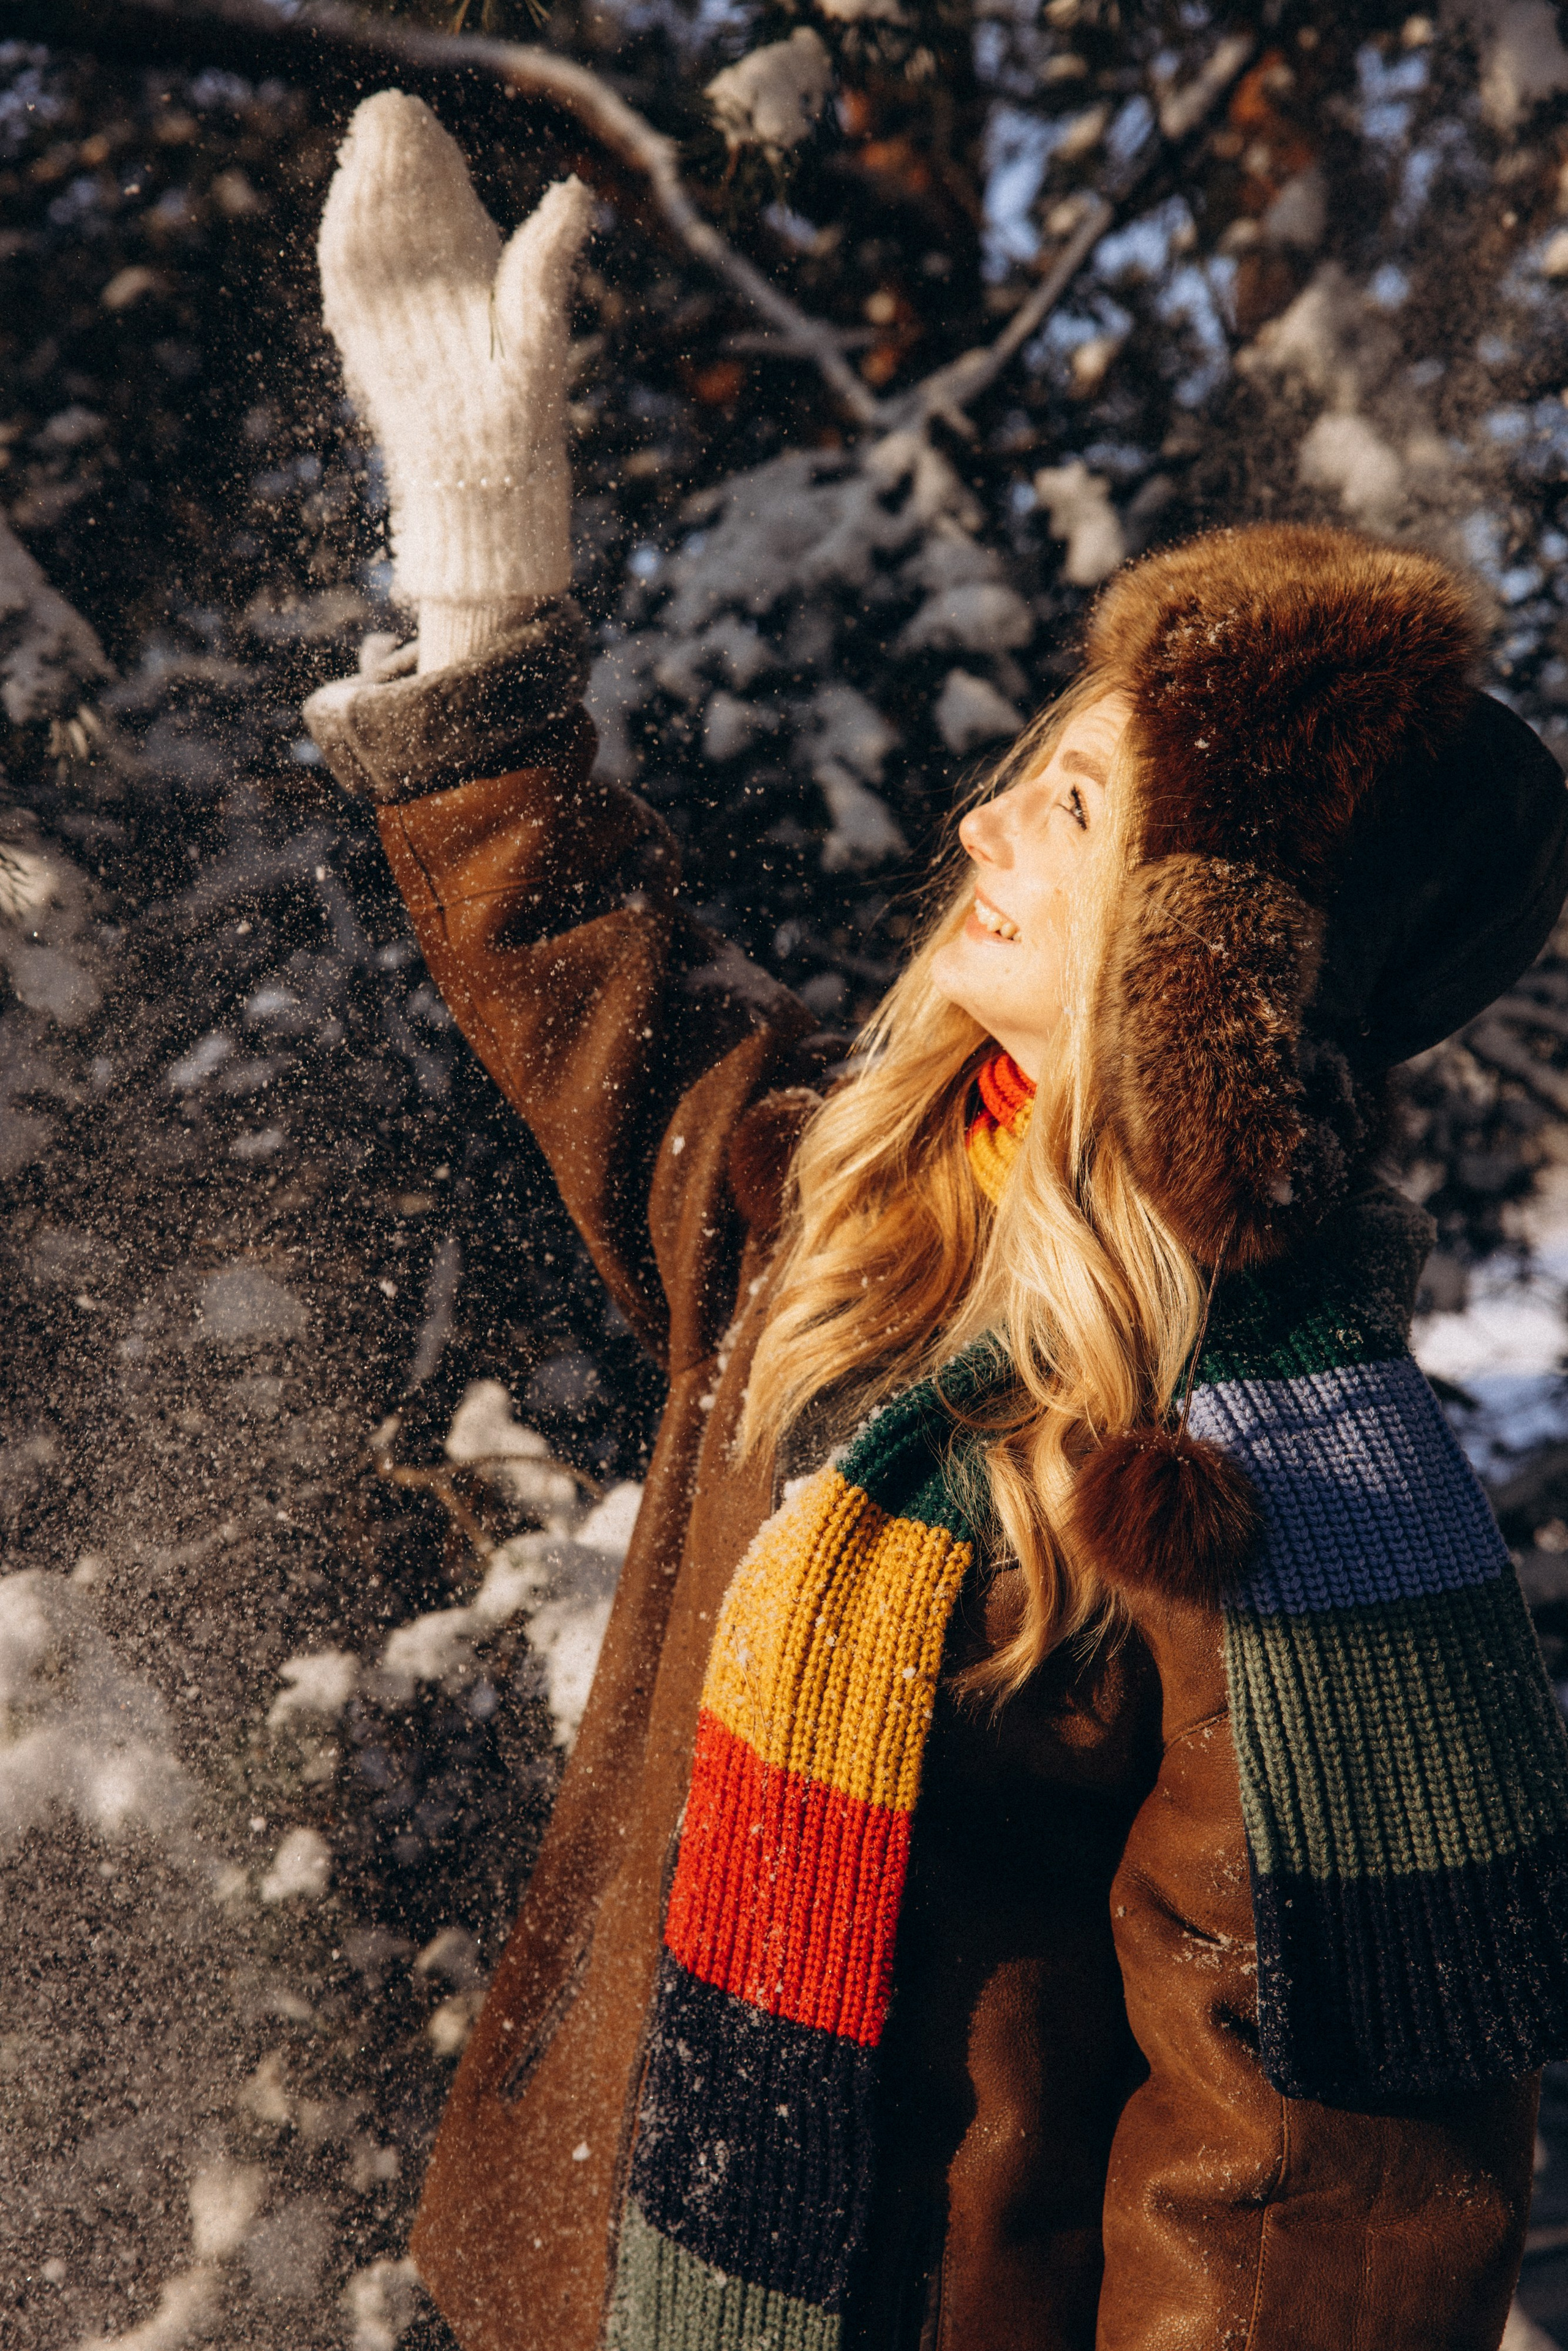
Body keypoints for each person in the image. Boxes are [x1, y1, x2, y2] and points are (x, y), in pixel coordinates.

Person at [304, 91, 1568, 2351]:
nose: (985, 817)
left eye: (1070, 804)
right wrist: (483, 588)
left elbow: (1315, 2171)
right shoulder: (861, 1220)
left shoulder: (1301, 1493)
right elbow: (603, 993)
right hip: (581, 2286)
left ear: (1209, 958)